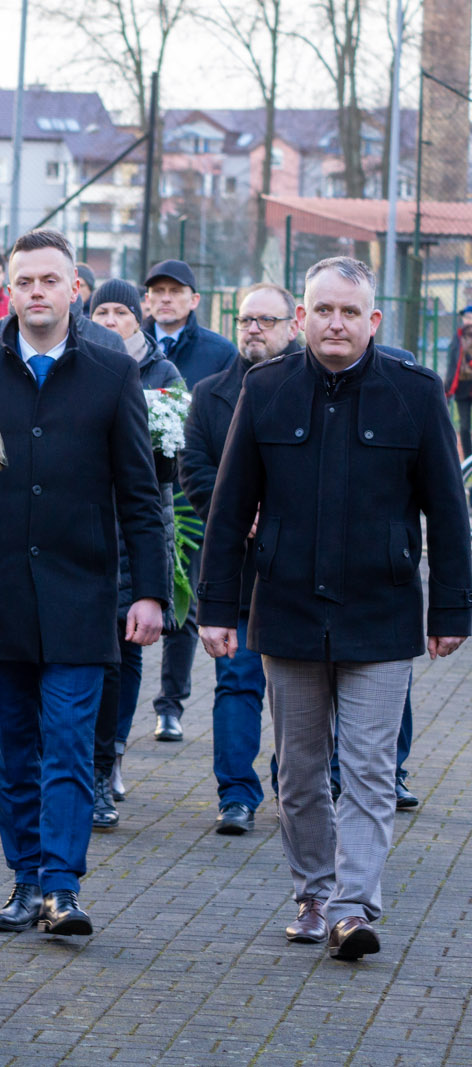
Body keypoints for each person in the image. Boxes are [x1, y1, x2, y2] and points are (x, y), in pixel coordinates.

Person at [197, 256, 471, 961]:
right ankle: (314, 894)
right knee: (298, 770)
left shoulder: (414, 393)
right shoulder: (265, 390)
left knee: (371, 768)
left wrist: (451, 610)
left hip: (381, 613)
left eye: (350, 311)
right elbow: (229, 508)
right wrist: (217, 607)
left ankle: (353, 908)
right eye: (323, 309)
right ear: (302, 318)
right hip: (287, 608)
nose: (336, 323)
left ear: (373, 320)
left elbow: (449, 511)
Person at [0, 229, 168, 938]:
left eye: (50, 279)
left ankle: (61, 887)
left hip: (82, 591)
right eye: (24, 281)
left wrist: (150, 591)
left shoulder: (111, 373)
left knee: (72, 742)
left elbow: (140, 492)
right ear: (8, 290)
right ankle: (24, 880)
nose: (37, 292)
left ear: (74, 288)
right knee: (14, 746)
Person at [179, 282, 297, 838]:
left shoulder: (313, 386)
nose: (253, 329)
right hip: (238, 567)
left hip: (300, 571)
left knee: (302, 695)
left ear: (292, 326)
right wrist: (235, 511)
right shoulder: (210, 393)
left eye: (266, 320)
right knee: (236, 683)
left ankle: (297, 791)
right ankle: (235, 795)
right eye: (247, 320)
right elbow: (195, 466)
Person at [83, 278, 183, 830]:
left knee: (126, 652)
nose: (110, 321)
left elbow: (170, 464)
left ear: (137, 317)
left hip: (138, 527)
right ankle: (84, 763)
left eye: (120, 312)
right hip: (88, 528)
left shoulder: (161, 372)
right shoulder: (79, 364)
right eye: (101, 311)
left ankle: (111, 755)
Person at [144, 258, 236, 743]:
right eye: (157, 291)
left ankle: (171, 704)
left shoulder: (219, 353)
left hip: (190, 496)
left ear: (194, 300)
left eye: (175, 291)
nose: (165, 299)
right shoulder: (128, 345)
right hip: (139, 491)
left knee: (185, 597)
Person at [444, 305, 472, 457]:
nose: (468, 321)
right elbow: (452, 363)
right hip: (462, 387)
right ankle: (468, 459)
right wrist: (448, 386)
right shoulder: (458, 337)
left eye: (471, 317)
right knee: (465, 426)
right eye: (466, 317)